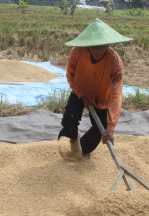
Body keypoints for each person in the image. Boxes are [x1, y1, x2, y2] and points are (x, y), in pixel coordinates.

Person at [57, 18, 133, 160]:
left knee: (100, 129)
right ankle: (73, 139)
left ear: (109, 45)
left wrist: (110, 128)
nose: (98, 51)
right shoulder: (77, 53)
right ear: (87, 45)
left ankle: (82, 151)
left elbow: (116, 95)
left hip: (101, 96)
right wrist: (81, 95)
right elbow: (70, 76)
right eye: (95, 47)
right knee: (69, 118)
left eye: (103, 47)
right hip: (80, 90)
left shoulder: (114, 61)